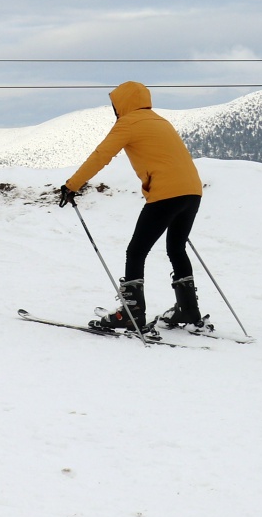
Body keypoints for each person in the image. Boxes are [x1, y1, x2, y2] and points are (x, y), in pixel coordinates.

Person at [57, 81, 205, 331]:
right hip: (192, 192)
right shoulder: (161, 121)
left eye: (115, 104)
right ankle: (188, 309)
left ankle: (132, 313)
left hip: (166, 194)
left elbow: (101, 156)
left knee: (136, 251)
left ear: (121, 103)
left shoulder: (127, 123)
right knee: (176, 248)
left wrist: (72, 185)